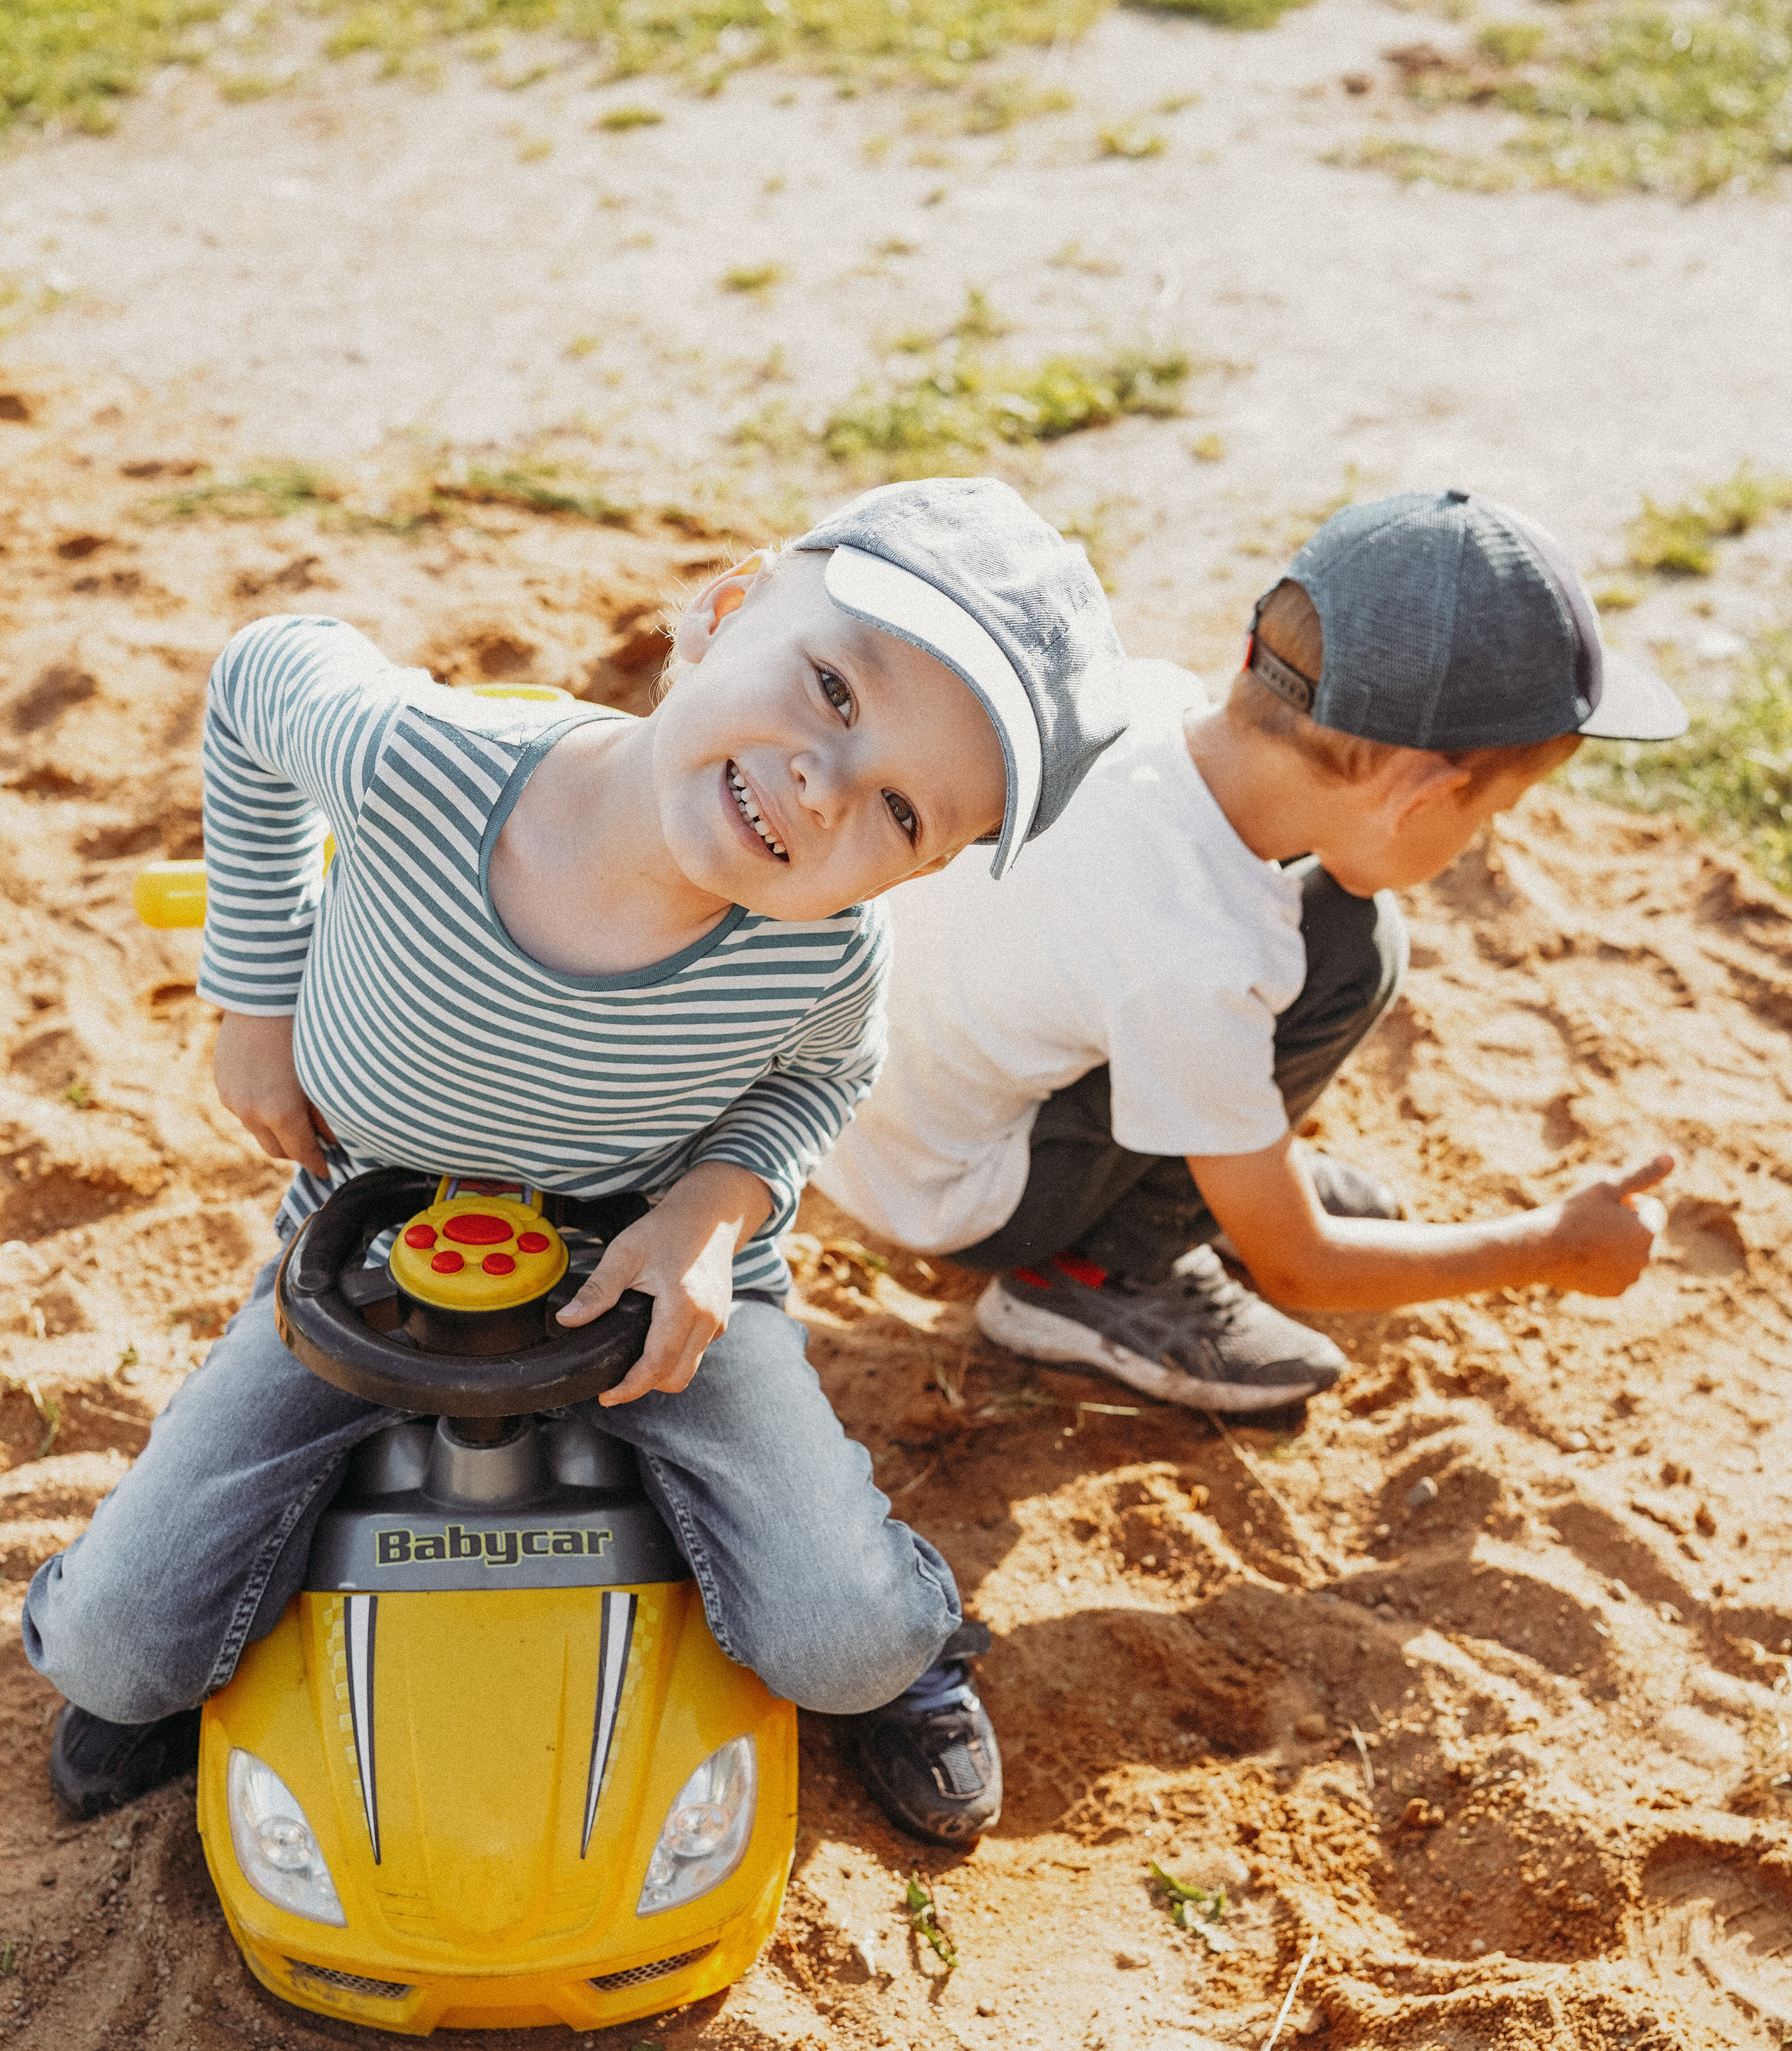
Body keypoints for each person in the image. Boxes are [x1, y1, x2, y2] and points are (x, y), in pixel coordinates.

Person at [25, 477, 1127, 1859]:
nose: (825, 785)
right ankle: (169, 1632)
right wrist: (254, 998)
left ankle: (911, 1650)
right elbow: (257, 679)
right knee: (118, 1650)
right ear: (726, 607)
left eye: (901, 811)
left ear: (917, 872)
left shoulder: (822, 953)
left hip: (653, 1272)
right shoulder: (416, 763)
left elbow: (819, 1080)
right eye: (834, 689)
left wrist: (712, 1212)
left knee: (837, 1642)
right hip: (368, 1245)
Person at [819, 488, 1687, 1438]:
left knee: (1325, 936)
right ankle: (1090, 1277)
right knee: (1351, 952)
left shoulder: (1138, 698)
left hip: (858, 1109)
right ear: (1417, 795)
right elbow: (1301, 1267)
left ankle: (1227, 1163)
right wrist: (1553, 1247)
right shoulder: (1205, 957)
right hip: (953, 1196)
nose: (1480, 841)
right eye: (1488, 815)